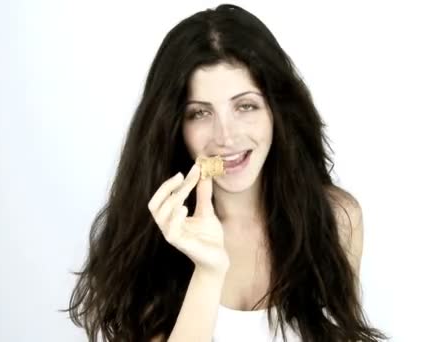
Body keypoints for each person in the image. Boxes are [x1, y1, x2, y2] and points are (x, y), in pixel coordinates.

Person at [65, 4, 388, 342]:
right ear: (175, 127)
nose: (226, 137)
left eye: (245, 106)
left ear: (277, 111)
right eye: (200, 113)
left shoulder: (338, 219)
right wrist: (207, 271)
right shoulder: (149, 241)